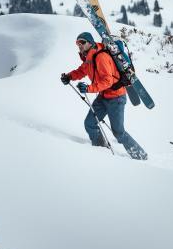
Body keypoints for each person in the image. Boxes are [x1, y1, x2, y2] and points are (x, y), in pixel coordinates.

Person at [60, 32, 147, 160]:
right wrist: (69, 76)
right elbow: (81, 71)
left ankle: (140, 156)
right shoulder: (89, 58)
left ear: (90, 42)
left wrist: (89, 88)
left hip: (116, 98)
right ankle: (101, 152)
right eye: (78, 43)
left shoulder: (101, 57)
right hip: (103, 97)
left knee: (118, 132)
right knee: (90, 123)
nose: (80, 45)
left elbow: (108, 81)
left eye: (82, 42)